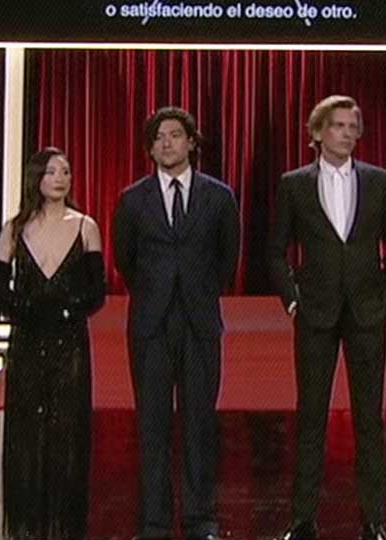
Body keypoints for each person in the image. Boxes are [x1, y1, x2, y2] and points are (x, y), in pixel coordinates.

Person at [269, 95, 386, 540]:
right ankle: (303, 520)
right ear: (316, 133)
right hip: (316, 313)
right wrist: (293, 300)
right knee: (311, 417)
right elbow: (276, 250)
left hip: (367, 312)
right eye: (338, 125)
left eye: (353, 126)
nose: (347, 133)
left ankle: (373, 522)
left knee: (370, 421)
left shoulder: (379, 181)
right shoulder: (294, 184)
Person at [112, 107, 239, 540]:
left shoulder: (219, 197)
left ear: (191, 143)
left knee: (200, 422)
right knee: (152, 424)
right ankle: (154, 520)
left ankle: (201, 517)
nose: (167, 143)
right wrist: (156, 292)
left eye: (175, 135)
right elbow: (125, 260)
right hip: (150, 325)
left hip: (200, 322)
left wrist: (198, 292)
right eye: (159, 138)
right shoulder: (133, 199)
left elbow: (227, 259)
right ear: (150, 149)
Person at [0, 148, 104, 539]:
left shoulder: (86, 226)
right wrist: (24, 310)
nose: (60, 178)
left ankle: (65, 525)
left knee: (67, 433)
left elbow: (97, 291)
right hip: (26, 342)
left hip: (70, 342)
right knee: (26, 433)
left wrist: (67, 311)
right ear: (36, 178)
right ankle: (27, 524)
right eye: (52, 171)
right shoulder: (13, 228)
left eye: (67, 171)